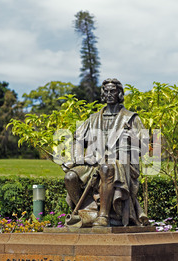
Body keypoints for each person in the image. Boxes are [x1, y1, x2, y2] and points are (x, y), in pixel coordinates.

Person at [62, 78, 149, 227]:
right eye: (106, 91)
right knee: (70, 176)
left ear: (119, 93)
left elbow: (145, 148)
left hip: (120, 163)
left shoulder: (131, 118)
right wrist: (79, 158)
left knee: (106, 168)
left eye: (113, 91)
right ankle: (87, 211)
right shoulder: (93, 119)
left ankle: (103, 216)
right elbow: (77, 139)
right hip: (94, 161)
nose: (109, 94)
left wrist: (133, 140)